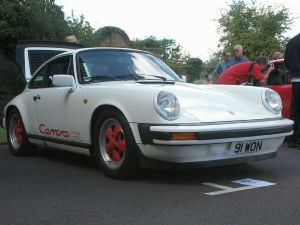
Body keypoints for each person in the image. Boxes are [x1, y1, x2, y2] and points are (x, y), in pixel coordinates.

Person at [284, 33, 300, 148]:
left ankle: (292, 139)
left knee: (294, 111)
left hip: (295, 80)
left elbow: (286, 62)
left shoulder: (291, 41)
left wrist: (293, 71)